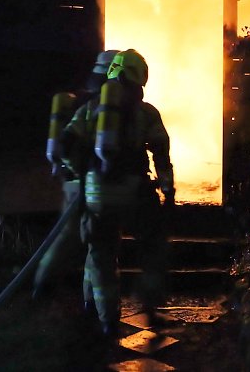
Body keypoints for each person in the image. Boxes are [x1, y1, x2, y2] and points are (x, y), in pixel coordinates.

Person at [62, 48, 174, 337]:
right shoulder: (147, 113)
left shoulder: (91, 109)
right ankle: (149, 308)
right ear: (140, 80)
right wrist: (167, 188)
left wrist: (78, 176)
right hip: (135, 192)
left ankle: (105, 318)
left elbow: (66, 145)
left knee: (100, 253)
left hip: (98, 194)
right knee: (151, 247)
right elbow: (161, 153)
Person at [33, 50, 119, 298]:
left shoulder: (81, 99)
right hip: (86, 181)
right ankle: (42, 287)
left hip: (76, 180)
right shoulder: (97, 104)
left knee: (92, 242)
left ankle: (89, 300)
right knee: (77, 238)